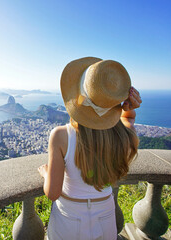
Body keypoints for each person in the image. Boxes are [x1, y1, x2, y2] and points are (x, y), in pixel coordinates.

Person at [38, 57, 142, 240]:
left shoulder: (61, 136)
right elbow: (128, 121)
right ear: (115, 101)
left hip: (69, 219)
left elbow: (53, 193)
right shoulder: (124, 137)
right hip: (106, 217)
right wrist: (128, 108)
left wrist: (47, 174)